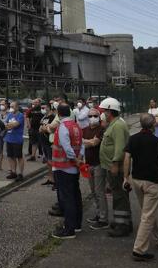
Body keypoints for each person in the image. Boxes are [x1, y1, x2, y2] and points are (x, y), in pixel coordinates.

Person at [124, 113, 158, 261]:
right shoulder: (156, 142)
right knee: (147, 216)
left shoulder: (133, 139)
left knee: (147, 211)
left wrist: (126, 177)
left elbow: (127, 158)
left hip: (137, 180)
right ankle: (139, 250)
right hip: (152, 183)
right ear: (153, 125)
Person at [50, 104, 84, 240]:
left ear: (58, 114)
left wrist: (75, 159)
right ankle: (76, 224)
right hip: (74, 167)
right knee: (75, 195)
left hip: (63, 166)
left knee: (67, 198)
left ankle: (69, 229)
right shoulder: (76, 126)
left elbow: (66, 147)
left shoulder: (63, 127)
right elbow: (81, 144)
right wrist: (80, 158)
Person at [99, 97, 131, 237]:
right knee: (118, 194)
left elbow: (119, 148)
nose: (103, 113)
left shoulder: (117, 126)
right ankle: (121, 220)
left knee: (119, 195)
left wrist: (115, 164)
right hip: (111, 165)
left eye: (104, 110)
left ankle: (122, 225)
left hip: (115, 167)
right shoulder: (114, 124)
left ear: (109, 111)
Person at [83, 108, 108, 230]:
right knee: (93, 191)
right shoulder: (85, 130)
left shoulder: (101, 129)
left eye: (95, 116)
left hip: (99, 164)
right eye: (90, 116)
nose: (92, 117)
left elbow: (94, 143)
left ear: (99, 117)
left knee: (99, 192)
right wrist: (88, 142)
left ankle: (103, 218)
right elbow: (86, 143)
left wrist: (84, 142)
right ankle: (98, 214)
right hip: (88, 164)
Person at [4, 101, 25, 181]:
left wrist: (9, 125)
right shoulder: (9, 115)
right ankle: (13, 172)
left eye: (13, 106)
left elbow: (16, 124)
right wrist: (9, 125)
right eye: (10, 106)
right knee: (10, 156)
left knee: (19, 156)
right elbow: (5, 124)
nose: (11, 108)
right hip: (9, 138)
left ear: (17, 107)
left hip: (17, 139)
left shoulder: (20, 115)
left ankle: (21, 173)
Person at [39, 102, 56, 186]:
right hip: (43, 141)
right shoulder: (43, 117)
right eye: (41, 107)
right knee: (48, 161)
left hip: (50, 141)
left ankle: (55, 179)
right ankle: (50, 178)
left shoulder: (52, 117)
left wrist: (44, 129)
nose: (42, 109)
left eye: (44, 107)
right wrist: (43, 128)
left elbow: (51, 129)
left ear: (49, 108)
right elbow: (40, 128)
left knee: (51, 161)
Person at [0, 101, 8, 169]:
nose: (1, 106)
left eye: (3, 104)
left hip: (8, 132)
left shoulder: (10, 113)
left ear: (6, 105)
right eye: (1, 104)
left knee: (8, 150)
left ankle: (11, 168)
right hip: (0, 133)